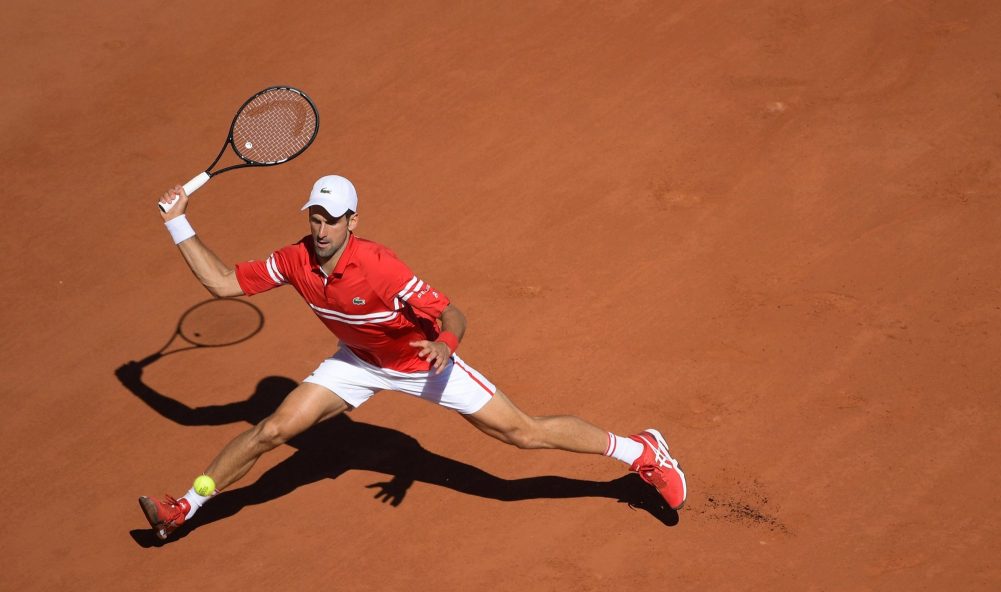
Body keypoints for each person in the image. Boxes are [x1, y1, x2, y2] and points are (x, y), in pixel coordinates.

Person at [140, 175, 686, 539]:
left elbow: (453, 314)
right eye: (315, 217)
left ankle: (639, 451)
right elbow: (223, 282)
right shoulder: (295, 260)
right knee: (271, 431)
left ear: (352, 221)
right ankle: (186, 505)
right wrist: (177, 221)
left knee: (522, 435)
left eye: (332, 219)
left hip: (424, 364)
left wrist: (444, 348)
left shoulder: (381, 266)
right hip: (355, 363)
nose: (322, 228)